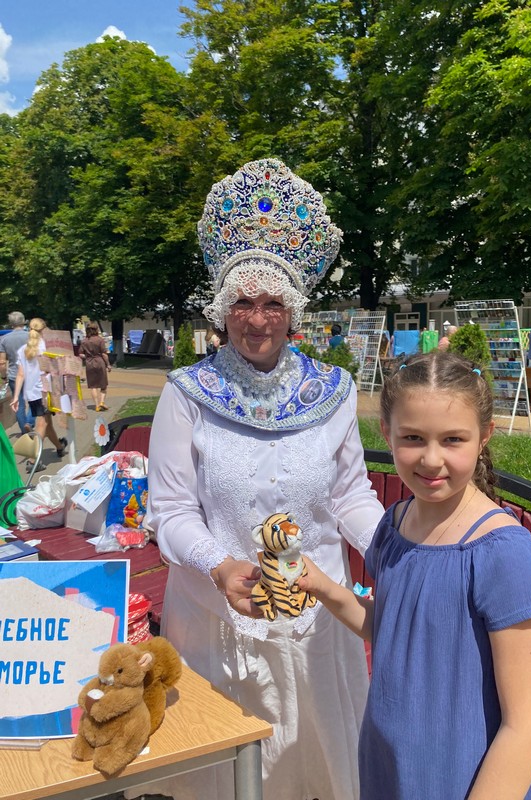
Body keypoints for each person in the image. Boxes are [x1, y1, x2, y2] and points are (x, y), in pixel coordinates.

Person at [142, 159, 385, 800]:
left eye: (272, 302)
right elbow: (170, 511)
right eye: (243, 303)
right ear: (222, 309)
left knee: (321, 771)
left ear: (293, 309)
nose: (257, 319)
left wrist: (400, 552)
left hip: (317, 624)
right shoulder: (187, 392)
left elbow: (351, 496)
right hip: (217, 624)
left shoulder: (333, 390)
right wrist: (220, 567)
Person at [298, 350, 531, 800]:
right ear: (386, 433)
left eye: (452, 440)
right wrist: (323, 588)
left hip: (469, 776)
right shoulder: (395, 523)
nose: (430, 459)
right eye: (413, 438)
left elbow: (527, 724)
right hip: (394, 765)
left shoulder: (503, 554)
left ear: (484, 436)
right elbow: (393, 630)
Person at [10, 318, 67, 471]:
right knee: (42, 424)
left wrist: (16, 397)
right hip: (45, 391)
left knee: (47, 423)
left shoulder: (23, 350)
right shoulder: (48, 348)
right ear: (44, 330)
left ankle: (59, 446)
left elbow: (20, 374)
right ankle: (32, 461)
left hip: (31, 393)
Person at [0, 311, 35, 433]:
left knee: (19, 404)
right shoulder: (30, 337)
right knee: (34, 401)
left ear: (11, 324)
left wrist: (3, 376)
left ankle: (25, 431)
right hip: (30, 374)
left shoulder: (4, 339)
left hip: (14, 375)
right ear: (23, 322)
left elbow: (2, 362)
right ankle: (29, 422)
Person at [78, 322, 111, 412]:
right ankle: (102, 402)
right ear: (96, 330)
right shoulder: (100, 340)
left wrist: (87, 356)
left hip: (89, 363)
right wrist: (108, 364)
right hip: (100, 362)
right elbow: (104, 354)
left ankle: (96, 405)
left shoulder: (84, 341)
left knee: (93, 386)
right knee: (103, 385)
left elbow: (80, 354)